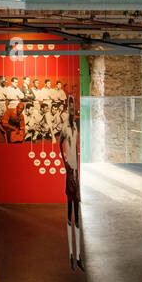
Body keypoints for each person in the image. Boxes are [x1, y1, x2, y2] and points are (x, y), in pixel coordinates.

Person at [59, 106, 83, 271]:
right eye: (71, 107)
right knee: (69, 212)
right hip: (70, 172)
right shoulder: (65, 128)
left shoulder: (77, 127)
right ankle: (70, 254)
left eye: (74, 108)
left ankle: (79, 255)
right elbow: (60, 144)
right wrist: (64, 162)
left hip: (76, 172)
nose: (73, 112)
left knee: (77, 213)